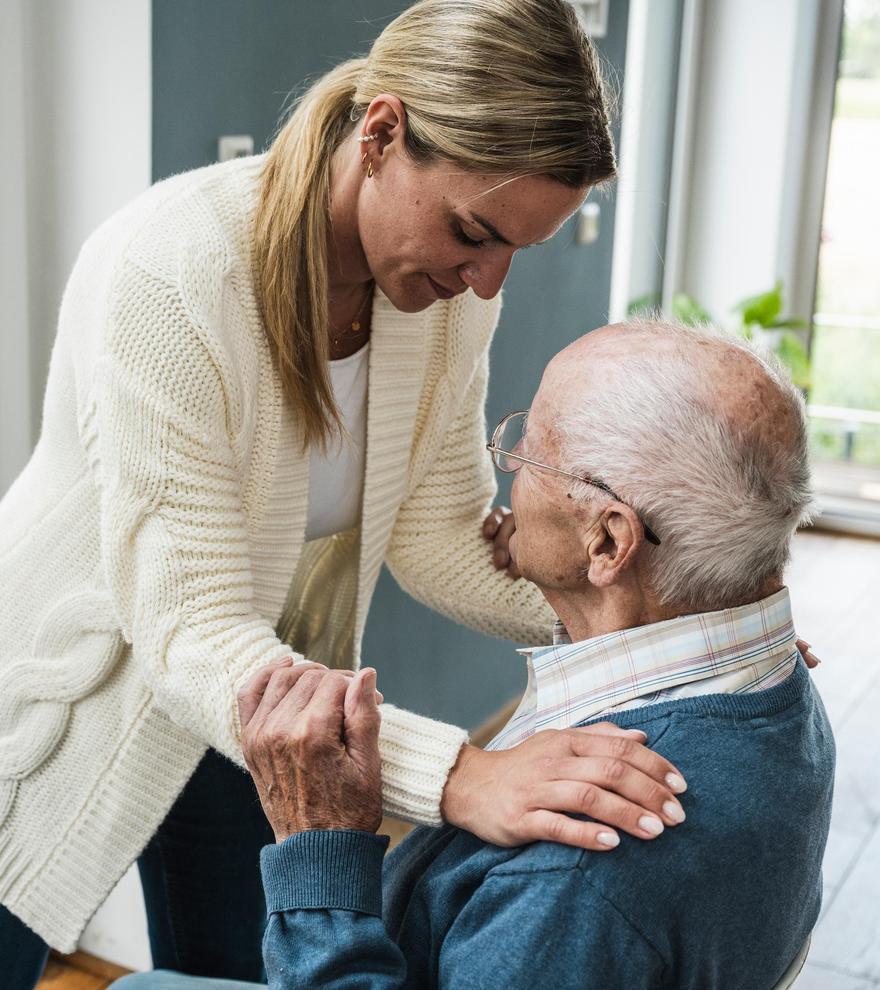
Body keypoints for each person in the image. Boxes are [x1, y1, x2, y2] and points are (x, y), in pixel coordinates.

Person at [0, 2, 707, 986]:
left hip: (264, 696)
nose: (485, 279)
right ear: (380, 134)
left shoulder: (437, 296)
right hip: (68, 684)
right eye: (473, 232)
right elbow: (188, 630)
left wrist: (658, 619)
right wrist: (461, 775)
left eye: (517, 249)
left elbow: (440, 538)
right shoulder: (171, 272)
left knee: (251, 971)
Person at [112, 320, 835, 990]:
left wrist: (321, 851)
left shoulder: (576, 877)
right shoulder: (776, 686)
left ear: (608, 543)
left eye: (528, 451)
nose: (507, 471)